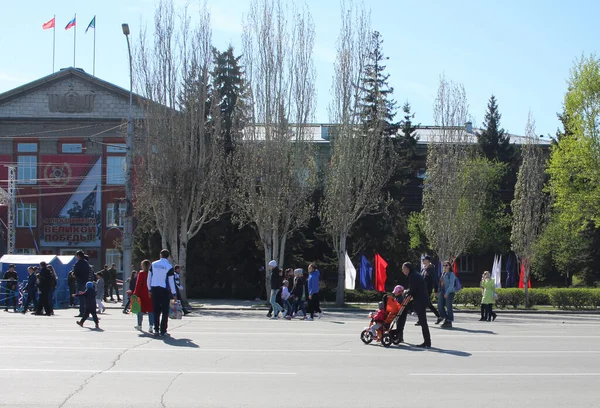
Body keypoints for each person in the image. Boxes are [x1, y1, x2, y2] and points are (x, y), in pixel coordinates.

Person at [396, 262, 431, 348]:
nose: (402, 270)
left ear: (407, 268)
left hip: (420, 300)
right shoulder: (414, 275)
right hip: (419, 299)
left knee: (423, 321)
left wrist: (405, 292)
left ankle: (427, 342)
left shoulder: (413, 276)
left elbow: (413, 289)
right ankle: (400, 336)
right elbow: (413, 288)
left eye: (403, 268)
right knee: (402, 313)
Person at [148, 249, 176, 337]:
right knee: (165, 311)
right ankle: (163, 330)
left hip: (154, 289)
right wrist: (174, 293)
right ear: (168, 256)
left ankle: (156, 329)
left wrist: (149, 289)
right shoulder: (169, 266)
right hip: (164, 290)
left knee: (156, 310)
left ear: (160, 255)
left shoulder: (153, 264)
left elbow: (149, 278)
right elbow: (171, 281)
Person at [418, 256, 441, 325]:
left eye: (424, 260)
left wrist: (436, 290)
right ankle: (438, 316)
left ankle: (422, 320)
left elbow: (435, 280)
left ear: (427, 260)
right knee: (426, 304)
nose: (423, 261)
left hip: (428, 289)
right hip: (422, 289)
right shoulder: (423, 269)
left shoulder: (431, 268)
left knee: (424, 304)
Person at [134, 260, 155, 332]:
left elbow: (138, 284)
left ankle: (139, 325)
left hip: (141, 294)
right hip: (150, 294)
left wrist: (135, 293)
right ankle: (151, 326)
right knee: (151, 311)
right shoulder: (152, 273)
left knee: (139, 311)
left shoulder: (141, 273)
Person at [438, 261, 456, 328]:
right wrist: (438, 291)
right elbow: (440, 284)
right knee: (439, 305)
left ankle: (449, 321)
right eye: (444, 265)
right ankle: (444, 317)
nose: (445, 267)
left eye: (446, 265)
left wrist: (447, 293)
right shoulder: (443, 274)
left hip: (449, 292)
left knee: (448, 307)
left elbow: (451, 285)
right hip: (443, 292)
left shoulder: (451, 274)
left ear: (449, 266)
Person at [73, 251, 91, 317]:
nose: (76, 257)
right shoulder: (86, 263)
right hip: (86, 282)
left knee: (81, 298)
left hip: (80, 281)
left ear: (78, 256)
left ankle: (82, 312)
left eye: (76, 256)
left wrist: (73, 274)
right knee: (85, 298)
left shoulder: (78, 263)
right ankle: (87, 312)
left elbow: (75, 274)